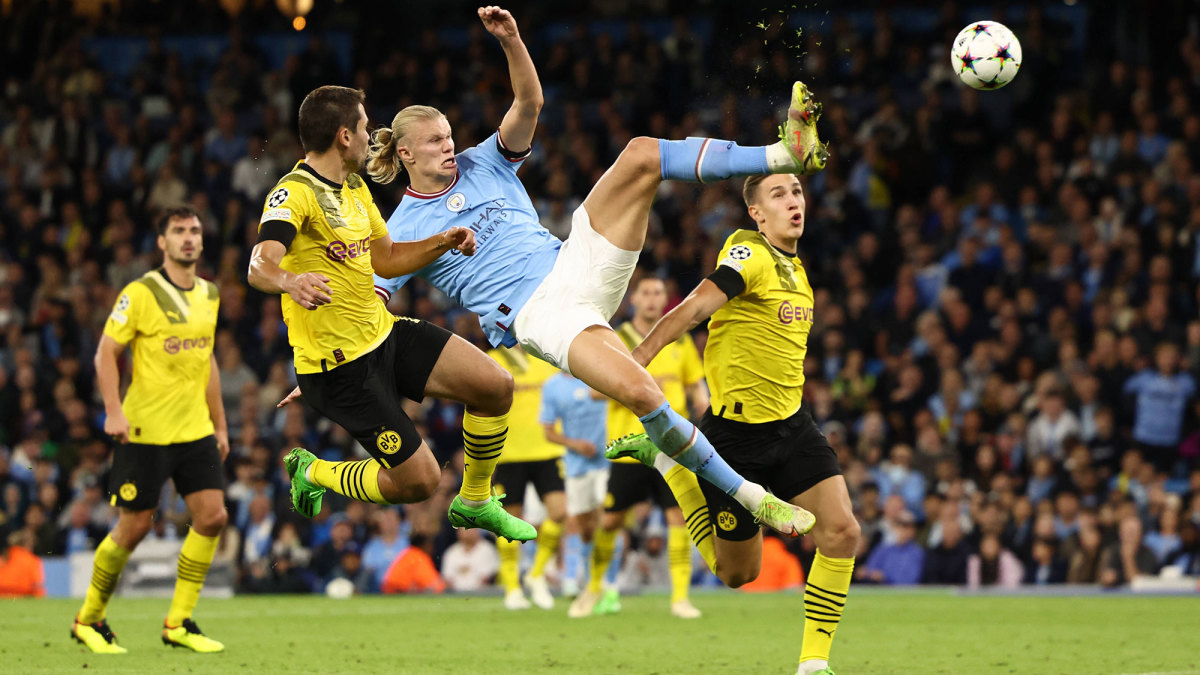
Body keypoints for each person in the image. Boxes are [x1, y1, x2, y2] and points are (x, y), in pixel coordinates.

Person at [368, 6, 826, 538]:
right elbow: (374, 300)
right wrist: (343, 367)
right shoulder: (398, 230)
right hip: (541, 315)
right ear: (405, 154)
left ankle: (783, 152)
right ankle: (754, 497)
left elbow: (529, 102)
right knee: (643, 393)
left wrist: (513, 41)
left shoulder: (484, 161)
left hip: (574, 261)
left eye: (449, 135)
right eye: (435, 142)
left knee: (638, 155)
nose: (449, 146)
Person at [247, 85, 534, 544]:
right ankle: (313, 471)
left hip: (384, 335)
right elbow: (259, 263)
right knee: (419, 483)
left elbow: (387, 258)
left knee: (494, 386)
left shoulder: (355, 187)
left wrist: (443, 239)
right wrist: (290, 280)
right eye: (363, 127)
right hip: (339, 368)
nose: (369, 136)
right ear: (344, 136)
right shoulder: (293, 193)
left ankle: (476, 501)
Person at [608, 174, 860, 675]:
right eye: (779, 194)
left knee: (843, 532)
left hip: (792, 427)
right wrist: (637, 359)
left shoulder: (799, 271)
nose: (794, 201)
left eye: (797, 191)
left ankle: (813, 662)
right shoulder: (749, 251)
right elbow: (698, 305)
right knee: (738, 573)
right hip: (733, 439)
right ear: (756, 213)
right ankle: (674, 466)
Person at [72, 207, 228, 654]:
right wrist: (112, 411)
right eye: (178, 231)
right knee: (135, 526)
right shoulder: (140, 293)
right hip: (144, 430)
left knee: (213, 516)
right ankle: (89, 618)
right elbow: (106, 354)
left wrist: (219, 423)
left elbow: (208, 360)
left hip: (194, 429)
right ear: (162, 242)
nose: (188, 239)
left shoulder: (210, 294)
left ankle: (178, 622)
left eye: (194, 231)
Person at [584, 276, 708, 619]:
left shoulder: (678, 340)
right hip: (630, 446)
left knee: (677, 519)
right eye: (646, 293)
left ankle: (680, 598)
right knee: (609, 523)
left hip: (673, 446)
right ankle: (592, 588)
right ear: (633, 299)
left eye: (658, 293)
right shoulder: (615, 339)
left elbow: (695, 383)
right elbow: (595, 390)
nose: (653, 299)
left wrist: (703, 403)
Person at [486, 345, 564, 610]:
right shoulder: (494, 359)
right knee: (509, 522)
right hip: (510, 453)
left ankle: (536, 573)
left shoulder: (548, 355)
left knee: (560, 512)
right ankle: (512, 588)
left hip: (548, 450)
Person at [538, 367, 609, 616]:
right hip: (577, 464)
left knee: (606, 520)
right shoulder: (552, 386)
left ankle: (602, 584)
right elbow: (548, 432)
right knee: (581, 525)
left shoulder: (598, 374)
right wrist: (575, 445)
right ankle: (574, 578)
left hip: (608, 459)